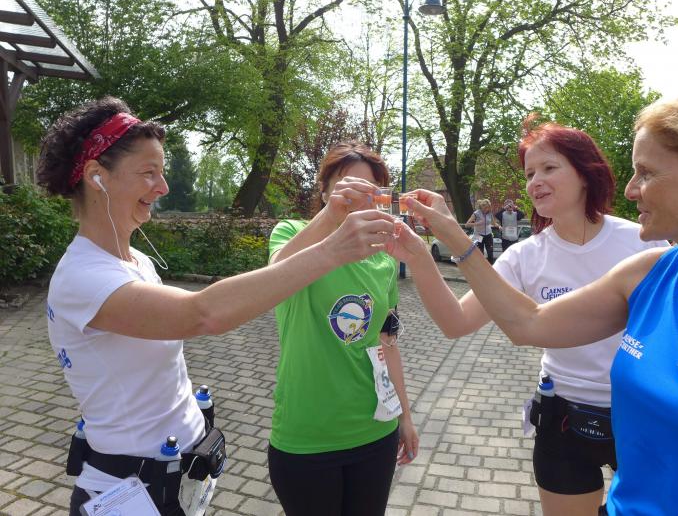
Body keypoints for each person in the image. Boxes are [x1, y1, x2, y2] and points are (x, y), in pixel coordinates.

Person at [404, 88, 678, 515]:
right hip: (568, 431)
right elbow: (526, 324)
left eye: (646, 172)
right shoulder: (647, 272)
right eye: (530, 172)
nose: (631, 189)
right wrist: (440, 245)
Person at [38, 97, 398, 516]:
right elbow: (201, 314)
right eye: (148, 173)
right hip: (129, 490)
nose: (163, 187)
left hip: (171, 478)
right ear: (96, 176)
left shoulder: (135, 262)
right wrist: (333, 250)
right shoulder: (83, 278)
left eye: (162, 172)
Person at [389, 119, 666, 516]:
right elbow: (456, 322)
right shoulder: (524, 255)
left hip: (640, 416)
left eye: (549, 168)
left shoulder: (642, 243)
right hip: (562, 419)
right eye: (530, 173)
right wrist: (418, 256)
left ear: (585, 173)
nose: (535, 181)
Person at [266, 141, 419, 516]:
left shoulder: (383, 258)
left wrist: (405, 416)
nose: (358, 198)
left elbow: (387, 342)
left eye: (370, 190)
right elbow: (273, 275)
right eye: (346, 187)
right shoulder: (292, 232)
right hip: (307, 439)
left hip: (375, 432)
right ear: (324, 192)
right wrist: (331, 218)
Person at [465, 198, 499, 263]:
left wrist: (499, 226)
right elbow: (467, 225)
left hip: (488, 234)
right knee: (480, 253)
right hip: (478, 235)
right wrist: (477, 223)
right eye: (485, 208)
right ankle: (480, 267)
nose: (487, 209)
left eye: (488, 208)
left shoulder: (489, 213)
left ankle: (490, 266)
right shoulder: (476, 214)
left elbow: (493, 223)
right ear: (481, 207)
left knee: (490, 252)